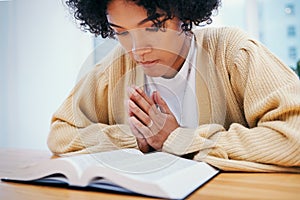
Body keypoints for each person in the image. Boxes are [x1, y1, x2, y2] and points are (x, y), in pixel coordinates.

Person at [47, 0, 300, 172]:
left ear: (185, 14)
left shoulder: (232, 51)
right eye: (122, 33)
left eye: (154, 27)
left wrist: (176, 138)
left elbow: (293, 136)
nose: (137, 50)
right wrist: (135, 139)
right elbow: (62, 132)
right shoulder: (117, 67)